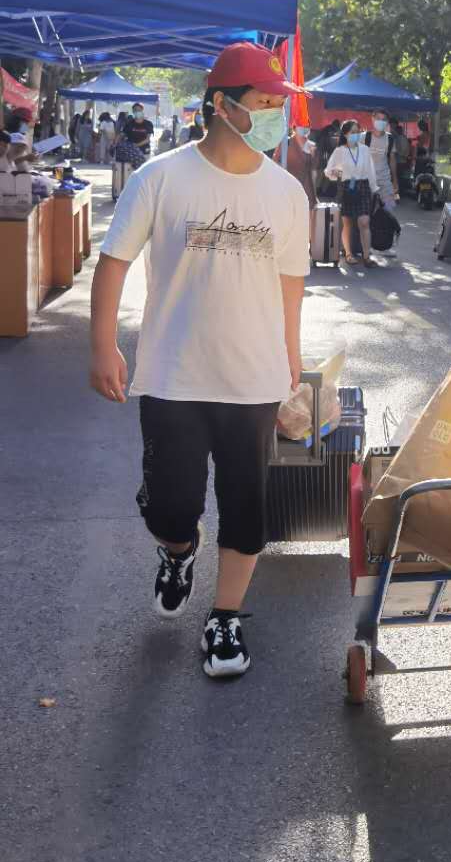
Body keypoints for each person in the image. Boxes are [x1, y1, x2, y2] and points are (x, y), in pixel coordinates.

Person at [89, 42, 308, 679]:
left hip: (253, 379)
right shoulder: (160, 178)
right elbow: (113, 262)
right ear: (221, 105)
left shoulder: (286, 192)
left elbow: (290, 283)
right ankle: (179, 550)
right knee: (170, 508)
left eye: (278, 104)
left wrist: (291, 359)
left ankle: (225, 618)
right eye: (263, 102)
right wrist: (102, 345)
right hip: (172, 376)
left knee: (247, 508)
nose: (274, 115)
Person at [325, 119, 377, 266]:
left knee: (364, 221)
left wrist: (374, 189)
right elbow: (328, 171)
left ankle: (366, 256)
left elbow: (371, 170)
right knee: (347, 223)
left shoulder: (365, 149)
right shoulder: (340, 151)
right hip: (347, 187)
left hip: (363, 186)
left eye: (358, 132)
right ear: (346, 134)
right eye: (353, 132)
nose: (356, 135)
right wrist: (336, 172)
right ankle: (348, 254)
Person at [364, 110, 399, 256]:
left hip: (385, 181)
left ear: (387, 122)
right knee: (366, 214)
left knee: (389, 210)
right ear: (372, 119)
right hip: (366, 181)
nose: (381, 121)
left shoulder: (390, 139)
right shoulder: (364, 137)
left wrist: (395, 181)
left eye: (384, 119)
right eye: (378, 118)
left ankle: (386, 245)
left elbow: (392, 160)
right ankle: (367, 245)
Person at [280, 120, 319, 249]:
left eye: (307, 125)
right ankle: (290, 246)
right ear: (294, 127)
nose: (305, 128)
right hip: (288, 186)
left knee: (309, 219)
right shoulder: (286, 143)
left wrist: (315, 193)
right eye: (302, 125)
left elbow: (314, 171)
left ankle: (308, 247)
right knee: (289, 217)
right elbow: (276, 164)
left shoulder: (312, 146)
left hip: (307, 185)